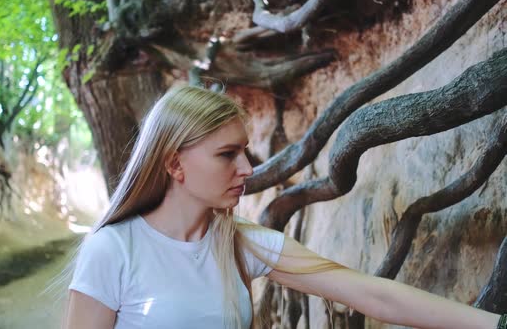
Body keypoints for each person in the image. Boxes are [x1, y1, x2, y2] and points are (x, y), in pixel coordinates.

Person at [63, 86, 505, 329]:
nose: (247, 169)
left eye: (246, 153)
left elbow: (370, 293)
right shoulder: (114, 250)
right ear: (175, 163)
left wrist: (495, 326)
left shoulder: (241, 246)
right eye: (226, 154)